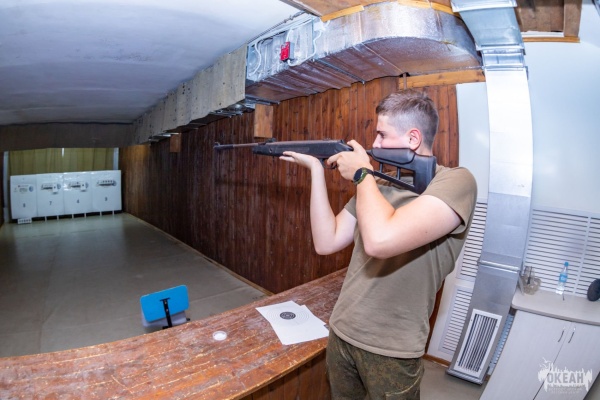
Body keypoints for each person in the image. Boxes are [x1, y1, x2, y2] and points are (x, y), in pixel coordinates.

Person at [280, 89, 477, 399]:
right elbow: (326, 241)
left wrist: (362, 174)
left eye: (382, 135)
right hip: (343, 331)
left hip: (393, 348)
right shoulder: (378, 183)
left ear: (413, 138)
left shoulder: (455, 182)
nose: (375, 144)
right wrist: (317, 171)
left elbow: (380, 241)